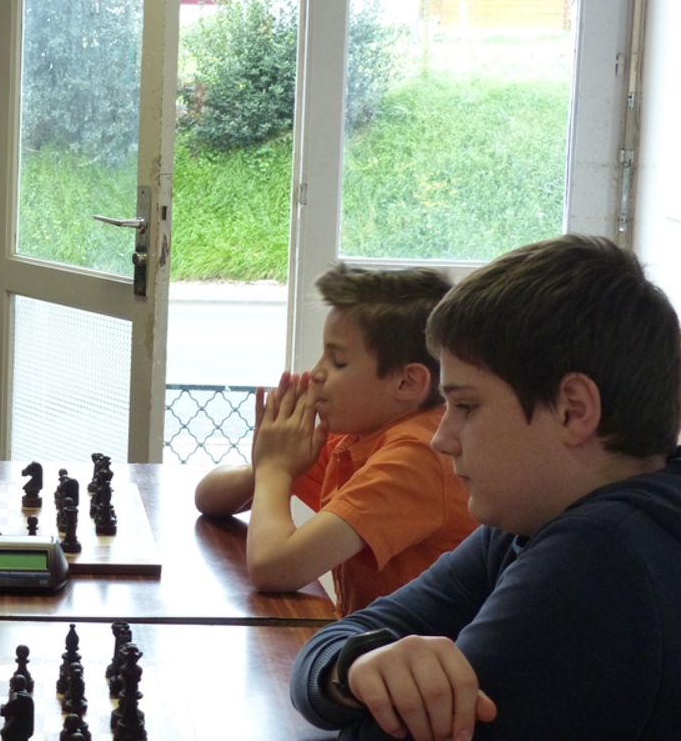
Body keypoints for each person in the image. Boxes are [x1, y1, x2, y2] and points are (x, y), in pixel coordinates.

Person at [291, 235, 681, 740]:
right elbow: (343, 640)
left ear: (573, 410)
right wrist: (353, 668)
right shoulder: (528, 519)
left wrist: (356, 682)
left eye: (467, 407)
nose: (442, 438)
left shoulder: (599, 558)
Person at [194, 265, 475, 615]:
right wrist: (266, 464)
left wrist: (275, 471)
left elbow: (274, 567)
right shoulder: (358, 437)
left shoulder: (416, 457)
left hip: (408, 649)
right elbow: (208, 498)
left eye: (338, 361)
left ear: (407, 383)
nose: (316, 373)